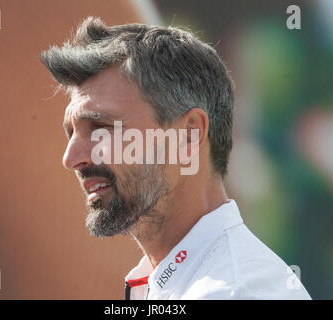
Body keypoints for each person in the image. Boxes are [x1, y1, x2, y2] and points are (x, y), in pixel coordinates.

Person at [41, 17, 311, 300]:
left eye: (100, 129)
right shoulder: (173, 280)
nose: (71, 158)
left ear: (189, 134)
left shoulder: (234, 292)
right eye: (71, 132)